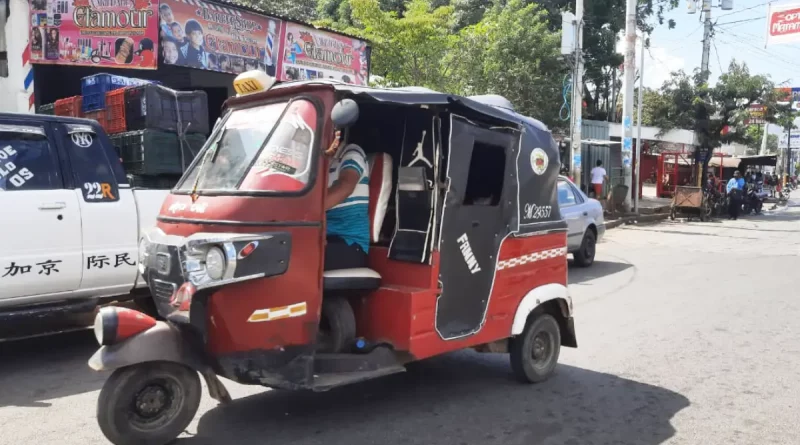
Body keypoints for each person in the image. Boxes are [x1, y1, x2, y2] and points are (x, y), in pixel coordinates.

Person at [324, 130, 370, 271]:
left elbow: (345, 186)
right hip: (324, 238)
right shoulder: (319, 161)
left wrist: (305, 211)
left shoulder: (351, 153)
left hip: (349, 244)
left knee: (294, 257)